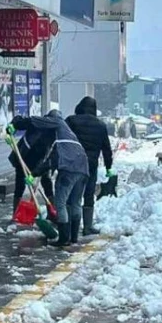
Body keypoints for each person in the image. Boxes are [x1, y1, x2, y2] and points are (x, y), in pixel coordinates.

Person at [9, 109, 89, 247]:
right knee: (75, 203)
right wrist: (35, 174)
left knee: (61, 203)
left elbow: (33, 121)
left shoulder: (56, 123)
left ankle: (63, 239)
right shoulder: (66, 135)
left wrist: (16, 123)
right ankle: (73, 237)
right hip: (83, 168)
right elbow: (51, 159)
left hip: (68, 169)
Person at [65, 96, 114, 236]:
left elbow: (63, 139)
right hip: (91, 165)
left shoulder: (71, 121)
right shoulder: (100, 125)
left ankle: (69, 227)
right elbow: (106, 149)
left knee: (72, 195)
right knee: (88, 194)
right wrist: (108, 167)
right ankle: (87, 227)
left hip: (73, 164)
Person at [8, 117, 55, 221]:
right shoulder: (36, 123)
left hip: (42, 160)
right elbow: (19, 121)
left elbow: (51, 153)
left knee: (47, 183)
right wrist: (12, 126)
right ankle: (15, 214)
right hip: (24, 158)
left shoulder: (55, 131)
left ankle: (52, 213)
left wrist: (36, 172)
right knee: (19, 185)